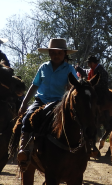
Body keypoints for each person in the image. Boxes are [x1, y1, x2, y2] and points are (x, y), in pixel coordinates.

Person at [16, 38, 80, 166]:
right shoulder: (43, 67)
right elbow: (34, 85)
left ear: (64, 54)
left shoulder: (69, 69)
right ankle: (24, 148)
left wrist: (70, 87)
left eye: (59, 53)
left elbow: (75, 87)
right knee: (28, 117)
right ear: (49, 53)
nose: (56, 55)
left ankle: (80, 148)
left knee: (74, 121)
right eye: (53, 53)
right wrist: (24, 103)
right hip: (42, 101)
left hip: (60, 103)